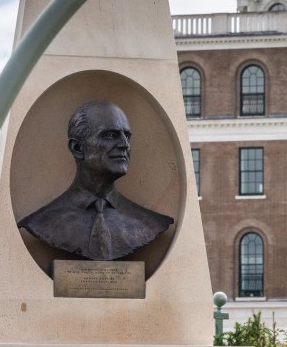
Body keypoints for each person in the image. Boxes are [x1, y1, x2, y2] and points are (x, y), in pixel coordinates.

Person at [18, 101, 173, 261]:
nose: (124, 145)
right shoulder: (42, 223)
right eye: (110, 135)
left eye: (127, 136)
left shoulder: (150, 224)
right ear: (77, 148)